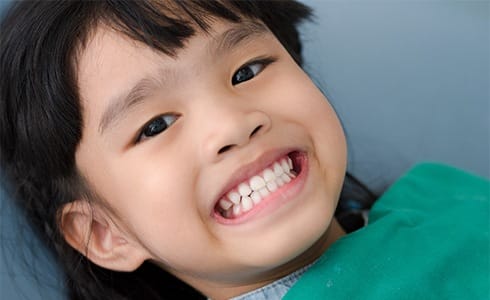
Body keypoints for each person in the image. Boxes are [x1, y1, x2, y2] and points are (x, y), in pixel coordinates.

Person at [0, 1, 487, 300]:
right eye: (155, 125)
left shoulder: (446, 202)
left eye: (247, 71)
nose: (233, 124)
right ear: (104, 234)